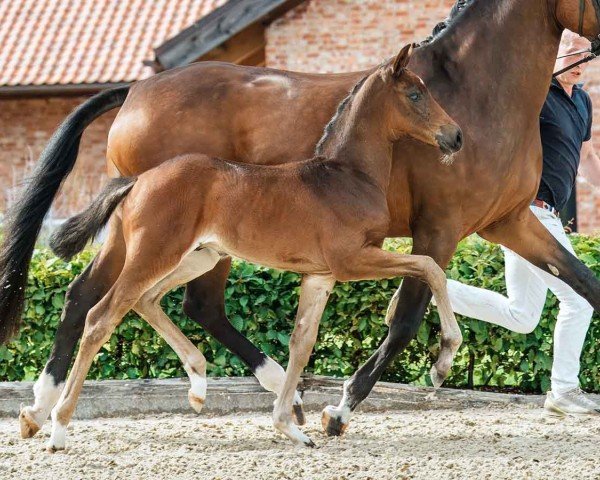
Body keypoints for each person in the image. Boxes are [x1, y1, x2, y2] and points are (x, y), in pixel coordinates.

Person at [438, 30, 600, 415]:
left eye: (587, 51)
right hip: (529, 211)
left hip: (546, 214)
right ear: (555, 54)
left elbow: (588, 158)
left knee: (522, 316)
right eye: (573, 49)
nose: (583, 57)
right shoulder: (537, 93)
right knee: (579, 301)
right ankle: (563, 391)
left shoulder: (584, 102)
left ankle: (434, 287)